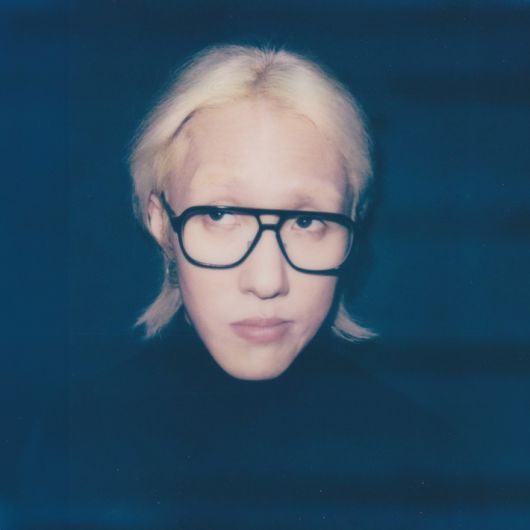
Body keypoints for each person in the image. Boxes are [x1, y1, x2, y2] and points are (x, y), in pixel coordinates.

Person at [20, 44, 474, 529]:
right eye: (220, 214)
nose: (266, 281)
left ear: (353, 225)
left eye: (307, 221)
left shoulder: (427, 465)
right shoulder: (72, 446)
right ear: (161, 223)